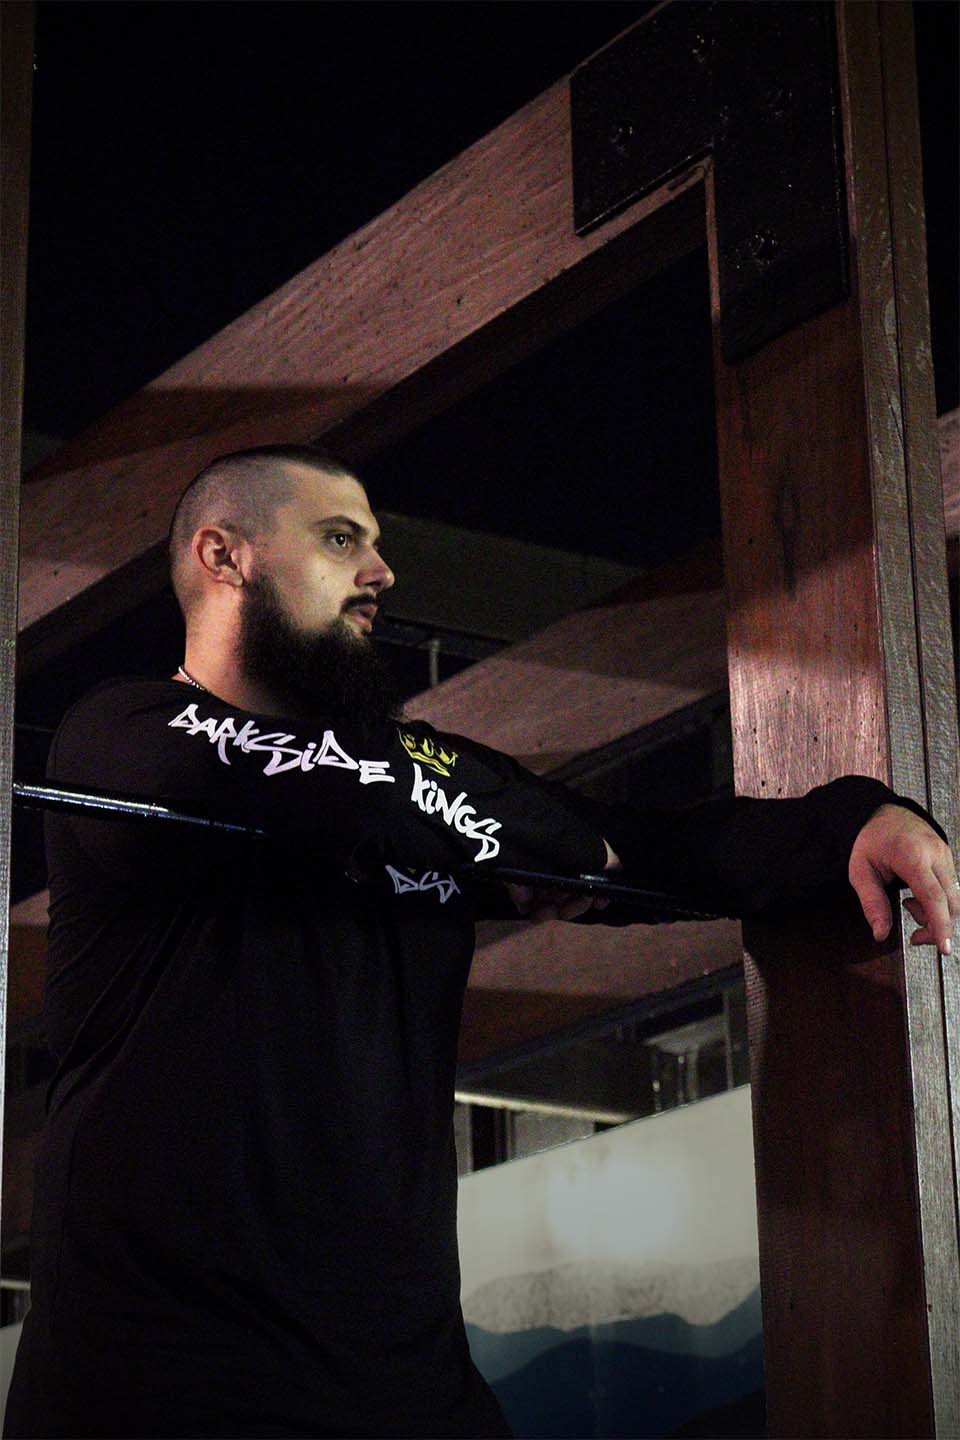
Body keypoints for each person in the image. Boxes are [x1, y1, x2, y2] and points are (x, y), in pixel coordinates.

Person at [5, 444, 957, 1440]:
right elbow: (319, 786)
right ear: (224, 556)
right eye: (340, 541)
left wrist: (852, 820)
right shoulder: (121, 734)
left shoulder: (429, 780)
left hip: (405, 1397)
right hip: (149, 1394)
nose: (381, 575)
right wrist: (494, 819)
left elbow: (652, 850)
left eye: (376, 546)